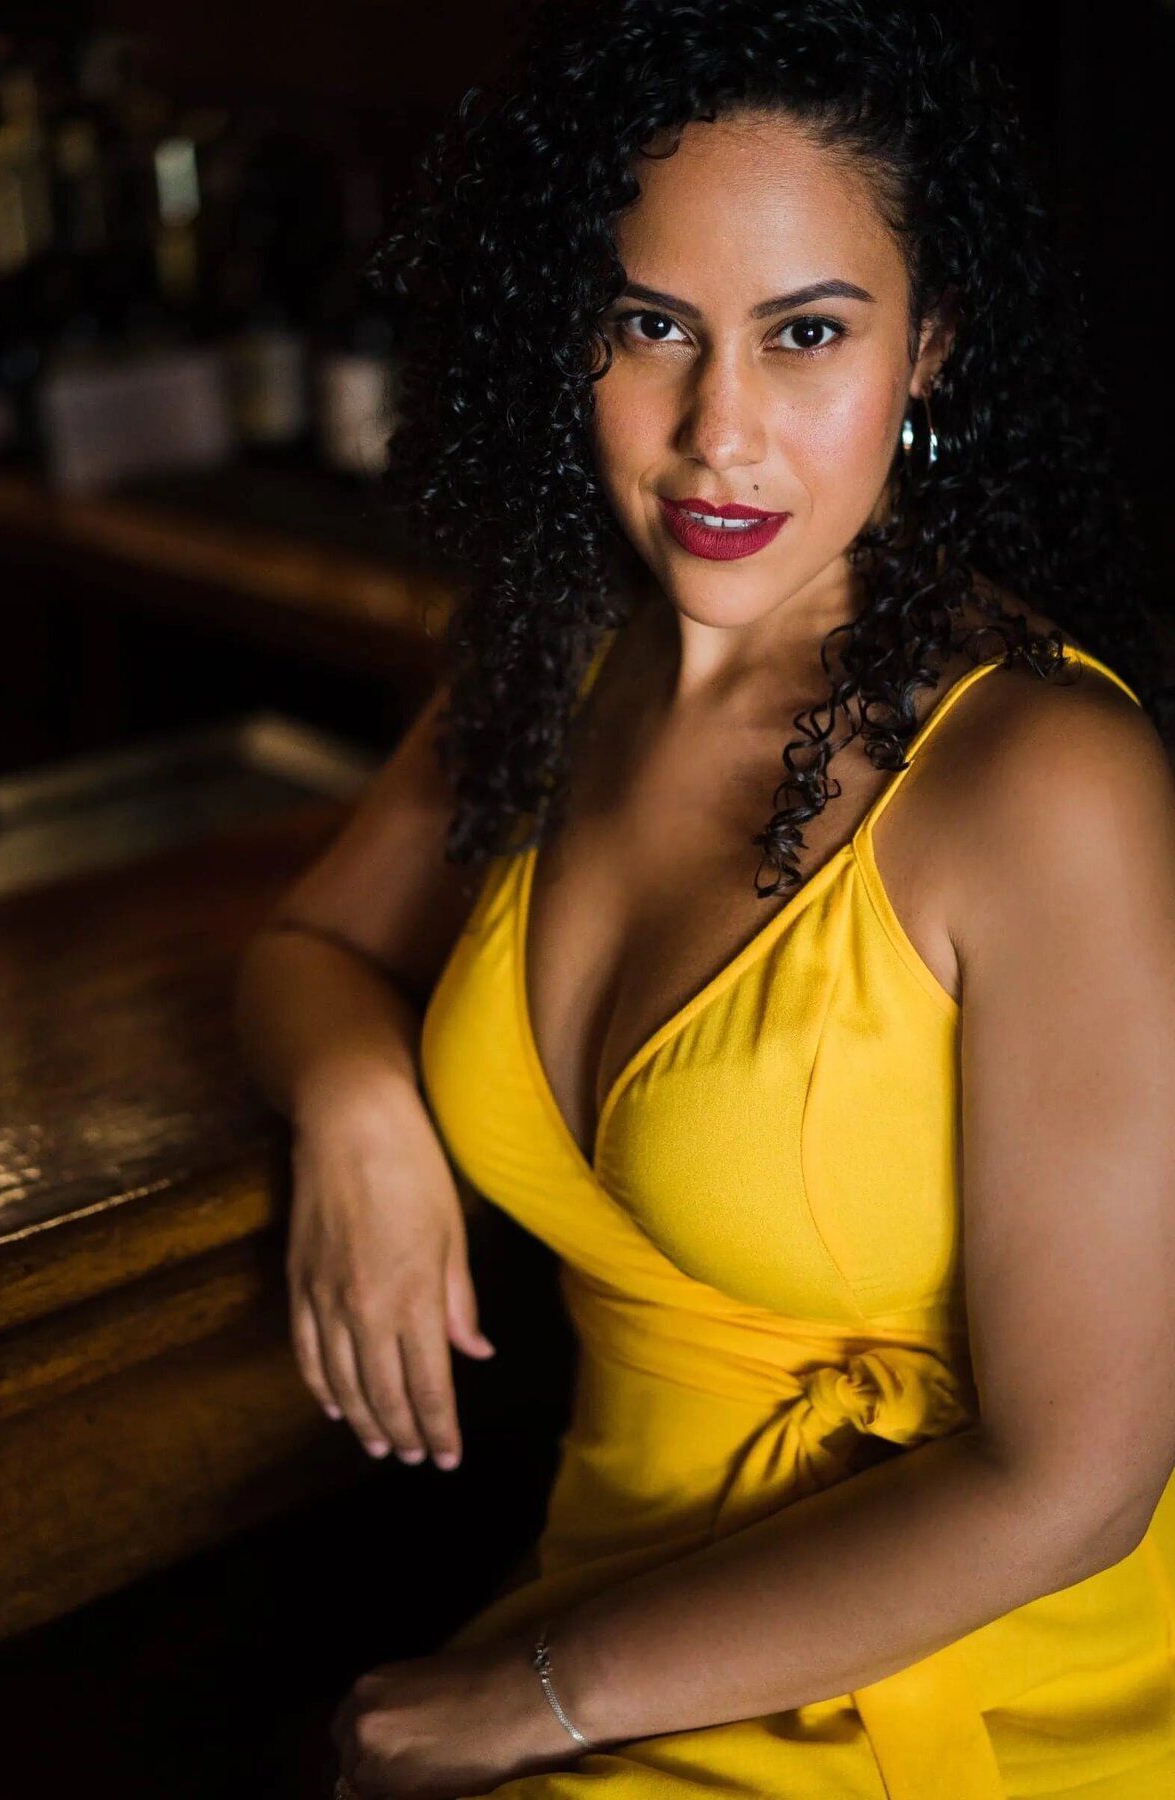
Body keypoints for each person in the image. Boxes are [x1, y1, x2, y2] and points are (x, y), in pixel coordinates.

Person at [232, 1, 1175, 1794]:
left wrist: (525, 1694)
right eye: (648, 325)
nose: (713, 431)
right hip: (591, 1636)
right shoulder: (557, 663)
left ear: (929, 355)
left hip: (936, 1697)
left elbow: (1076, 1479)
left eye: (805, 334)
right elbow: (307, 948)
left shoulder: (1040, 781)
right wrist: (359, 1101)